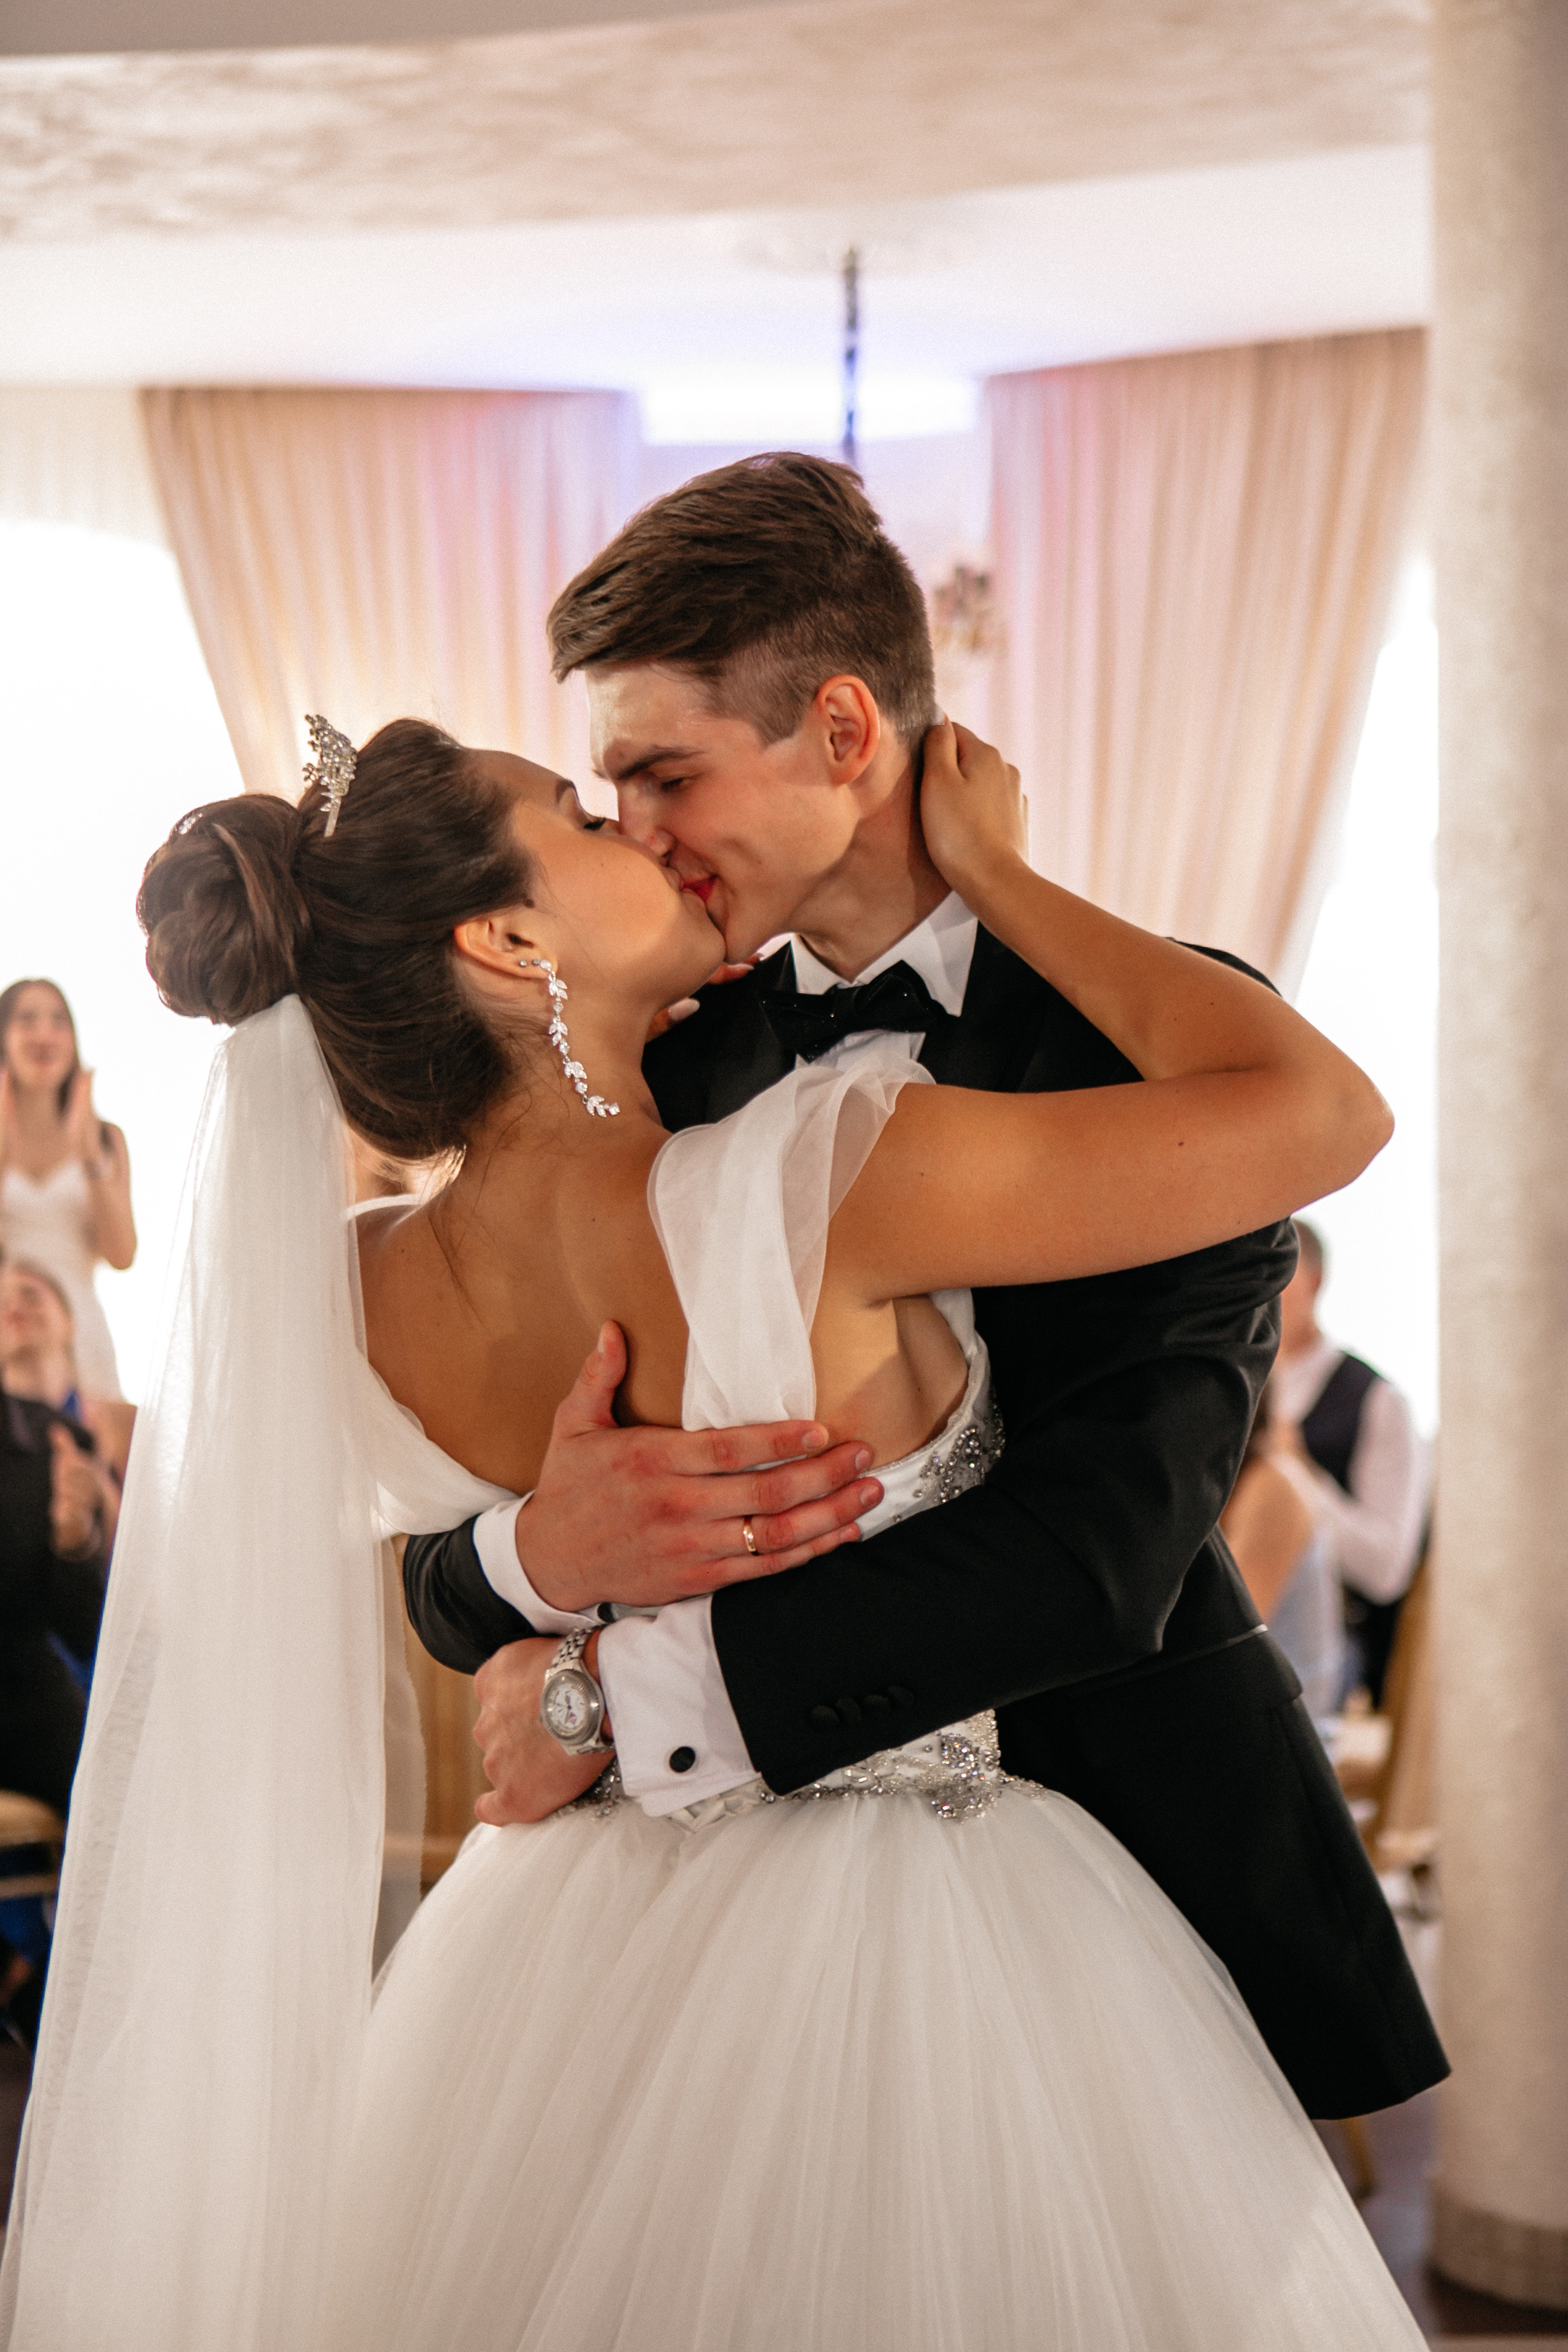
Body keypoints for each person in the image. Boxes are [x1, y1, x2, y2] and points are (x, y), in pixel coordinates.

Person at [1, 696, 1427, 2350]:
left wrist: (530, 1573)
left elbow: (291, 1581)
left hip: (547, 1954)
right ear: (509, 929)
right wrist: (999, 871)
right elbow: (1316, 1116)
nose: (645, 830)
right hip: (947, 1937)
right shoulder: (825, 1166)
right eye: (582, 813)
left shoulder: (355, 1284)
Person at [404, 454, 1444, 2127]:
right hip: (716, 1944)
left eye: (660, 775)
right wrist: (527, 1559)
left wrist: (616, 1699)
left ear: (839, 733)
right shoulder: (665, 1073)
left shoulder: (1147, 1051)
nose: (638, 840)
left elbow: (1105, 1543)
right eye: (606, 802)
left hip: (1127, 1875)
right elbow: (459, 1523)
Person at [0, 1340, 110, 2050]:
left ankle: (61, 2004)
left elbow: (82, 1624)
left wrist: (75, 1539)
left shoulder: (47, 1437)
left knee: (121, 1789)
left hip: (22, 1688)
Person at [1275, 1218, 1430, 1703]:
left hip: (1330, 1643)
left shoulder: (1377, 1400)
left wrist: (1297, 1472)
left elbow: (1386, 1569)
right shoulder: (1216, 1391)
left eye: (1281, 1270)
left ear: (1316, 1279)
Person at [0, 981, 136, 1404]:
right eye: (27, 1019)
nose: (44, 1033)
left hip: (81, 1328)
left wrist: (90, 1155)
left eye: (59, 1021)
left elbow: (121, 1255)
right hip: (10, 1325)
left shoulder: (106, 1137)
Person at [1220, 1379, 1345, 1723]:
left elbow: (1223, 1640)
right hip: (1246, 1717)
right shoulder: (1240, 1483)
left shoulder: (1274, 1487)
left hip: (1282, 1739)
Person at [0, 1259, 133, 1503]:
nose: (14, 1309)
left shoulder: (127, 1424)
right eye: (1, 1306)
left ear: (69, 1322)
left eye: (31, 1295)